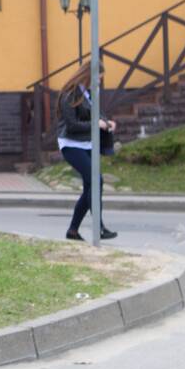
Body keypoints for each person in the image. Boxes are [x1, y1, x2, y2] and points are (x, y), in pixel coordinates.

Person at [56, 60, 118, 241]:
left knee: (91, 186)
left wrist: (106, 123)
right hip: (71, 144)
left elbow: (96, 114)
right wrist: (95, 124)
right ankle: (99, 228)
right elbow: (72, 125)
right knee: (96, 180)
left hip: (87, 144)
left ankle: (73, 231)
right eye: (98, 78)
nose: (99, 82)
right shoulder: (69, 94)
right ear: (88, 75)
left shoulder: (88, 93)